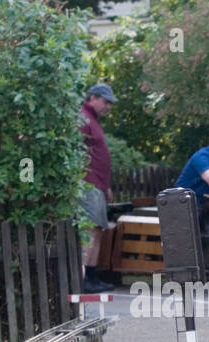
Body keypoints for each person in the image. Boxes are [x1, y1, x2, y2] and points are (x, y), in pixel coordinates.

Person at [79, 83, 117, 294]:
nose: (108, 106)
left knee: (98, 230)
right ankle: (84, 278)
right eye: (105, 101)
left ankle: (92, 277)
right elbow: (76, 149)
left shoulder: (93, 120)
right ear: (92, 97)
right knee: (90, 231)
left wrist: (105, 186)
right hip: (88, 184)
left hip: (97, 185)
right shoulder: (82, 117)